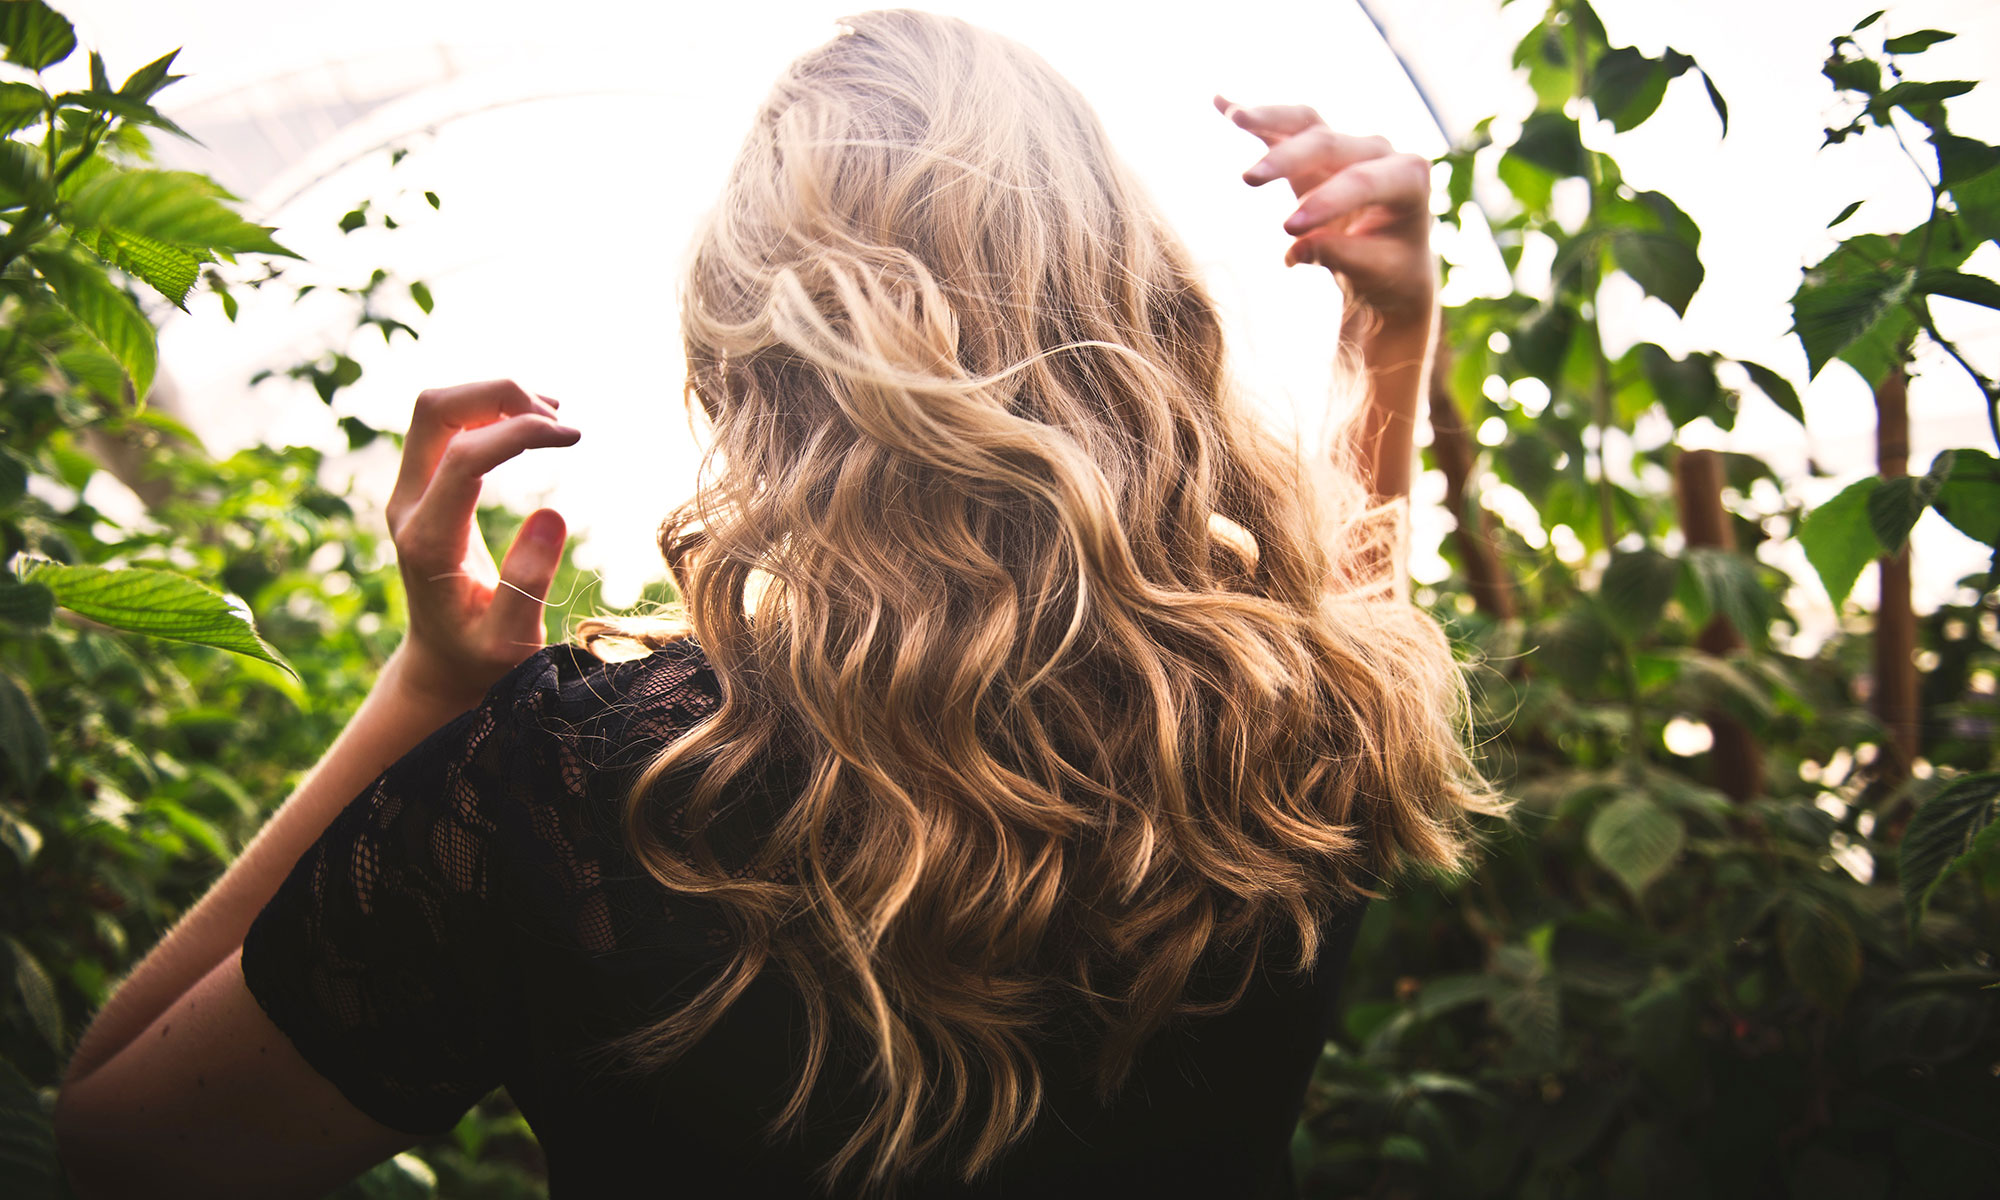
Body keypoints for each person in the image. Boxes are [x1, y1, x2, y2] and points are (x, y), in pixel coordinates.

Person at [54, 10, 1493, 1197]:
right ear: (1134, 303)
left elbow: (115, 1148)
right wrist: (1387, 331)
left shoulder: (582, 788)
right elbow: (1348, 619)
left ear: (751, 356)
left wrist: (427, 693)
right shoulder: (1302, 733)